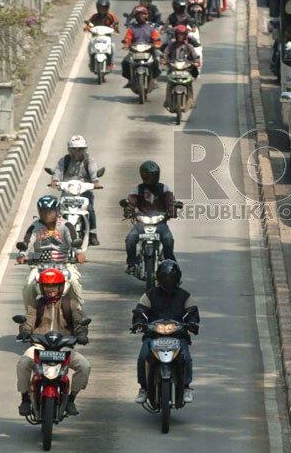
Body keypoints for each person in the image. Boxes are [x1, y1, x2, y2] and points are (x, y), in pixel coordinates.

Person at [16, 268, 90, 417]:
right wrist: (25, 331)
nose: (51, 291)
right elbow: (29, 321)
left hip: (63, 347)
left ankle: (71, 399)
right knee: (23, 363)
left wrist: (81, 334)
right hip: (40, 345)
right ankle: (24, 398)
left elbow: (79, 322)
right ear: (42, 288)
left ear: (61, 287)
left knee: (84, 366)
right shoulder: (35, 304)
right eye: (47, 288)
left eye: (54, 288)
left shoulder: (71, 303)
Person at [132, 260, 199, 405]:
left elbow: (192, 313)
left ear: (177, 278)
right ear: (159, 277)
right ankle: (143, 388)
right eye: (165, 277)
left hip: (178, 335)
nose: (168, 280)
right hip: (153, 336)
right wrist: (138, 323)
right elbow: (140, 311)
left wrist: (192, 324)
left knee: (186, 357)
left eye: (171, 277)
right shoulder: (149, 295)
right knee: (143, 356)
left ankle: (186, 386)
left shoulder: (185, 296)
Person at [17, 195, 86, 307]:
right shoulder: (35, 226)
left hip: (64, 264)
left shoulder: (66, 225)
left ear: (57, 211)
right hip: (39, 266)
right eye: (43, 211)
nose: (46, 214)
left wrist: (79, 253)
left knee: (74, 282)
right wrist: (22, 254)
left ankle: (78, 313)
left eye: (50, 211)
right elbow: (27, 241)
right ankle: (29, 316)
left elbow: (73, 239)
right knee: (28, 286)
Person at [123, 161, 177, 275]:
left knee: (168, 239)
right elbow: (131, 203)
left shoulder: (164, 189)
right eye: (149, 175)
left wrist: (172, 211)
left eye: (154, 175)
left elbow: (170, 202)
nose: (152, 178)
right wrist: (128, 211)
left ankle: (171, 263)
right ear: (143, 175)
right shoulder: (137, 189)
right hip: (142, 222)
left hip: (160, 222)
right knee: (130, 239)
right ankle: (132, 263)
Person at [49, 135, 103, 247]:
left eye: (80, 149)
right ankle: (56, 232)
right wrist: (55, 180)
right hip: (67, 190)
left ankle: (92, 233)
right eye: (74, 150)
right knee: (58, 208)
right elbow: (58, 171)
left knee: (90, 209)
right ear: (70, 150)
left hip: (84, 190)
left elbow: (93, 170)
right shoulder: (65, 160)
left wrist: (95, 182)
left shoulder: (89, 159)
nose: (77, 152)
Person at [162, 24, 201, 108]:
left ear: (185, 36)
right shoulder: (171, 46)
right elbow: (165, 53)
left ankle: (191, 99)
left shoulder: (189, 47)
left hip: (186, 70)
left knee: (189, 83)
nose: (180, 36)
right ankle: (167, 100)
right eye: (179, 34)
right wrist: (164, 60)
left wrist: (196, 61)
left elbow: (195, 56)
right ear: (176, 35)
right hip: (173, 69)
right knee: (169, 83)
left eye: (182, 34)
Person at [122, 6, 162, 84]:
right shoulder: (131, 29)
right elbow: (127, 38)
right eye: (138, 15)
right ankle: (129, 79)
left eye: (142, 14)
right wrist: (126, 44)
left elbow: (156, 39)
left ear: (146, 15)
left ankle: (154, 77)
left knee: (156, 60)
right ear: (135, 17)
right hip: (134, 51)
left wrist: (156, 44)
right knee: (125, 62)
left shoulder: (151, 29)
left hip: (149, 51)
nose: (140, 17)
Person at [85, 0, 119, 69]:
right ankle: (91, 61)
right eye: (100, 8)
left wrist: (115, 29)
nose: (102, 10)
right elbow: (89, 23)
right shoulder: (94, 16)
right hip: (96, 36)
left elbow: (115, 22)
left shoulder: (110, 16)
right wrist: (87, 28)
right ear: (97, 8)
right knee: (90, 45)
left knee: (112, 46)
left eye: (104, 8)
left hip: (107, 36)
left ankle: (111, 62)